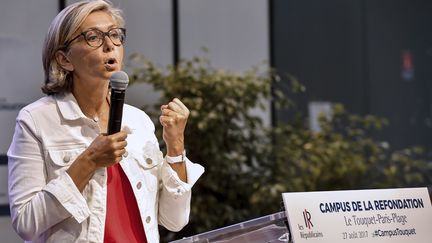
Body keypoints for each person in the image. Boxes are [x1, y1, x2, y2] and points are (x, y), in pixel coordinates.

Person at [7, 1, 204, 242]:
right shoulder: (37, 120)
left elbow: (175, 220)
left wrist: (176, 146)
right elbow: (26, 222)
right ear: (64, 59)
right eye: (93, 37)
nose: (109, 44)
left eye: (114, 34)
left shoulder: (138, 121)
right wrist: (89, 161)